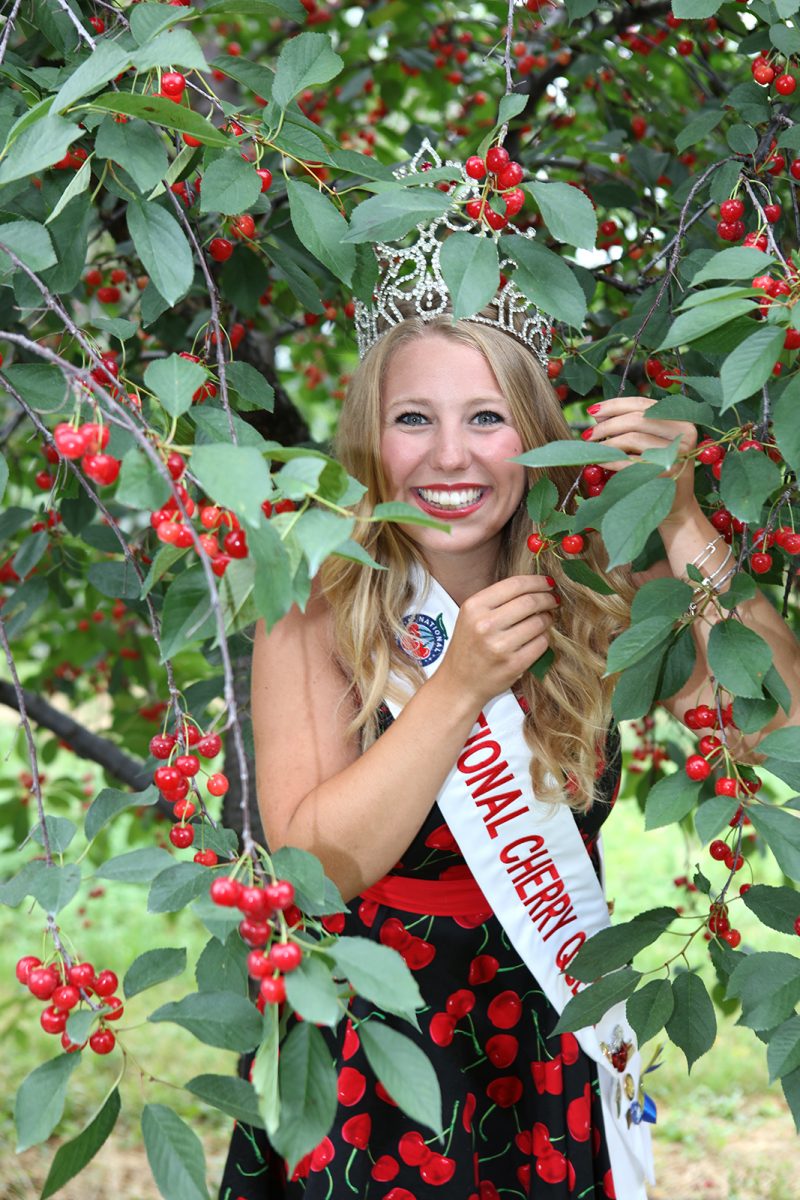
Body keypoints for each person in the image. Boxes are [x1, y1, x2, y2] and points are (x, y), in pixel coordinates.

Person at [219, 167, 800, 1200]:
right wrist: (453, 691)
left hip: (542, 1029)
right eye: (413, 421)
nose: (449, 456)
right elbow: (312, 869)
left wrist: (680, 520)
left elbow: (773, 728)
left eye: (485, 418)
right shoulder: (311, 596)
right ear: (368, 434)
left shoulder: (590, 584)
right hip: (373, 1039)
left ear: (533, 435)